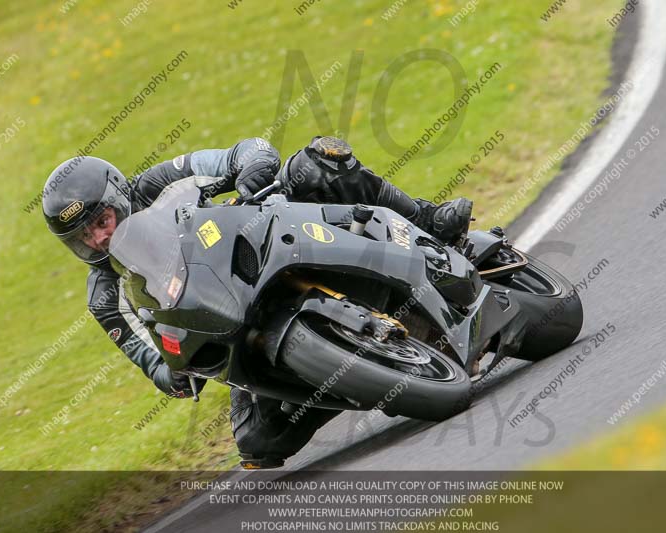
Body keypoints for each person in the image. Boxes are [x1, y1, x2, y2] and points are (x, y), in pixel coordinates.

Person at [41, 136, 472, 469]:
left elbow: (244, 152)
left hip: (263, 245)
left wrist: (253, 168)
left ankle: (428, 220)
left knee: (319, 160)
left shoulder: (160, 181)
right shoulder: (105, 297)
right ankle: (359, 381)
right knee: (259, 443)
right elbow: (145, 354)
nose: (98, 237)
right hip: (235, 327)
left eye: (101, 221)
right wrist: (170, 373)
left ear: (117, 198)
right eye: (84, 235)